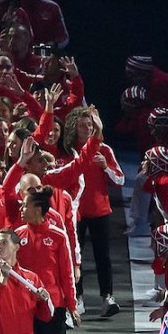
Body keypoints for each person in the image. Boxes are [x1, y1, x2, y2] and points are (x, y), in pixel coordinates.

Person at [13, 186, 80, 334]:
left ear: (38, 209)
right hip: (23, 305)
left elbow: (67, 273)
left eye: (25, 205)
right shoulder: (17, 235)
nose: (21, 209)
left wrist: (72, 305)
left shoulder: (58, 236)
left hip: (53, 305)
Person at [62, 106, 124, 317]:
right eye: (82, 125)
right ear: (74, 127)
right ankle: (77, 298)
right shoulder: (68, 150)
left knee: (102, 257)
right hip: (75, 212)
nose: (86, 129)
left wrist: (106, 166)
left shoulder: (104, 149)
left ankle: (107, 297)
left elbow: (120, 179)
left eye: (89, 125)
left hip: (100, 211)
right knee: (74, 257)